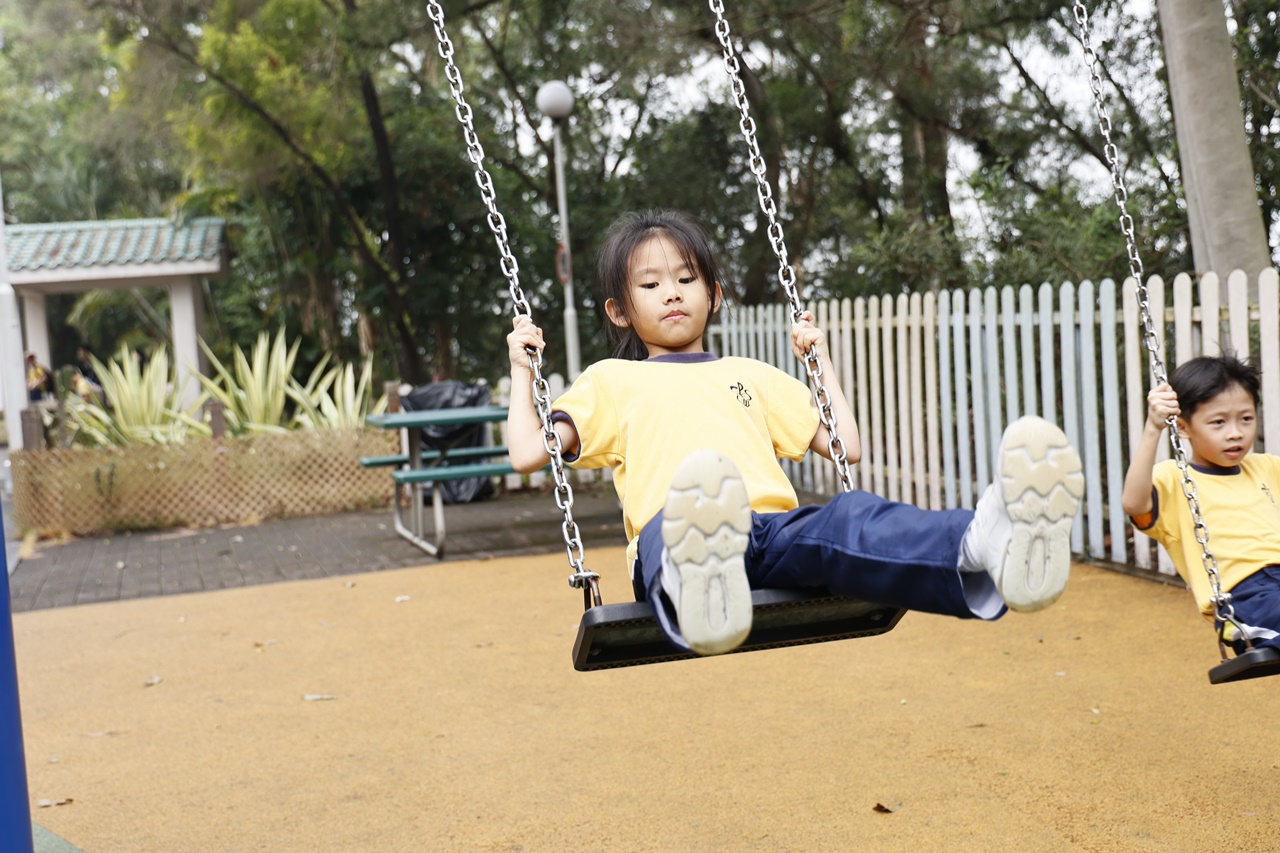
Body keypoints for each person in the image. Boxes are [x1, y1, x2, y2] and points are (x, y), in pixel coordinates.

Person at [506, 210, 1085, 656]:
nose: (673, 293)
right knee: (678, 527)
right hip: (672, 534)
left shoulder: (751, 375)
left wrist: (820, 363)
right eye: (651, 285)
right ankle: (698, 593)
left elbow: (845, 447)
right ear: (620, 311)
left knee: (846, 517)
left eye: (686, 278)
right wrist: (521, 370)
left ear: (715, 295)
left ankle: (985, 546)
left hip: (768, 532)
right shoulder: (612, 380)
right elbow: (529, 452)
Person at [1121, 353, 1280, 653]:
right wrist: (1153, 429)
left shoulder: (1267, 468)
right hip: (1245, 598)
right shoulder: (1175, 478)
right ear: (1183, 428)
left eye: (1246, 419)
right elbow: (1134, 504)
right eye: (1218, 422)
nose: (1235, 433)